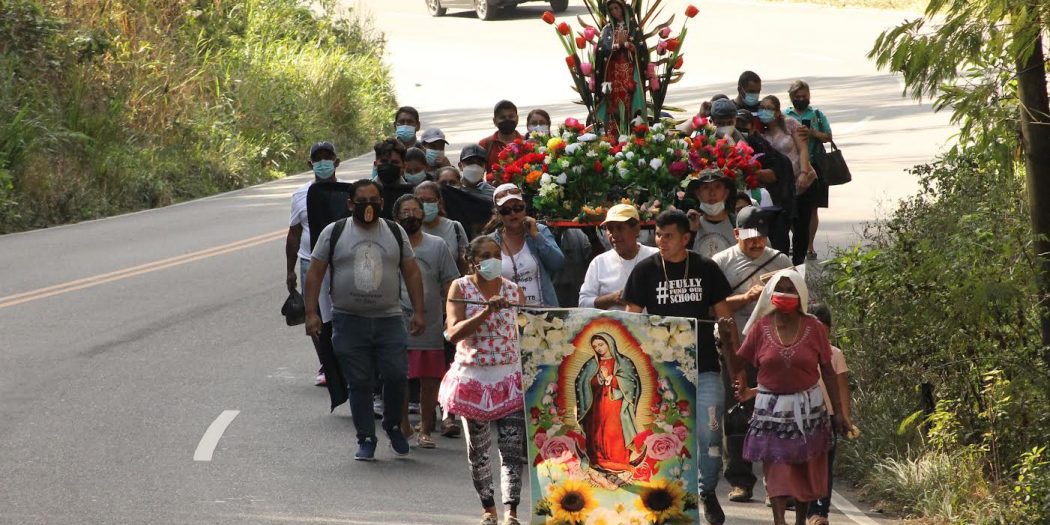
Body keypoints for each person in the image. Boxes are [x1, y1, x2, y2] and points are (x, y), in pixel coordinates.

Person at [623, 209, 741, 525]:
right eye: (658, 235)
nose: (661, 241)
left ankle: (707, 492)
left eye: (669, 236)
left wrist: (737, 365)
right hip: (662, 374)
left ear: (686, 238)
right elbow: (630, 321)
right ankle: (669, 501)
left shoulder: (706, 268)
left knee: (710, 437)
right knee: (663, 440)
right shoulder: (644, 271)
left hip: (706, 368)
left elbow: (726, 319)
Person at [304, 179, 427, 461]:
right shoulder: (334, 232)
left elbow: (411, 271)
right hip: (349, 320)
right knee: (359, 381)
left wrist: (419, 311)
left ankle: (393, 424)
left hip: (389, 319)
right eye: (361, 202)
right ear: (350, 204)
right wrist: (311, 313)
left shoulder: (394, 231)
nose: (368, 207)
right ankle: (366, 437)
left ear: (382, 203)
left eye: (374, 201)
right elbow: (315, 272)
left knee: (396, 374)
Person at [726, 269, 845, 525]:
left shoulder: (814, 328)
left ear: (801, 295)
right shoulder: (760, 328)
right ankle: (779, 520)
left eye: (791, 290)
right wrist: (727, 340)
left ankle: (800, 520)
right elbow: (737, 364)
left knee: (803, 469)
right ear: (770, 294)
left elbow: (828, 370)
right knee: (777, 468)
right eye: (780, 288)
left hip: (808, 408)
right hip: (771, 410)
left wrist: (839, 413)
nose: (785, 294)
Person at [440, 236, 527, 525]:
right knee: (478, 450)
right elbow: (453, 333)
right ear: (472, 261)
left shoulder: (514, 291)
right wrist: (486, 311)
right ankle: (489, 509)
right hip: (474, 381)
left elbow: (527, 333)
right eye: (486, 256)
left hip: (509, 379)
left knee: (512, 449)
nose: (493, 260)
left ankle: (511, 511)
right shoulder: (460, 288)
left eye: (497, 255)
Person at [711, 206, 793, 502]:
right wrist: (746, 298)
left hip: (774, 347)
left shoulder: (780, 260)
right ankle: (740, 480)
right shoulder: (720, 263)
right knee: (736, 415)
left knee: (777, 413)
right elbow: (713, 306)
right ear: (736, 234)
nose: (757, 243)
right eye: (750, 237)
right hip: (734, 346)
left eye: (761, 237)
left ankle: (778, 485)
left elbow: (796, 300)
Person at [392, 195, 459, 449]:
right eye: (405, 212)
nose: (411, 216)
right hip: (396, 319)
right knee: (399, 375)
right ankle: (403, 425)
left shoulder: (437, 245)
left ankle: (426, 428)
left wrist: (449, 315)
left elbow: (450, 282)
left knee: (430, 378)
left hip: (430, 320)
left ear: (423, 214)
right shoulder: (392, 244)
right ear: (396, 217)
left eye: (415, 210)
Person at [286, 141, 340, 386]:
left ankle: (343, 359)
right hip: (310, 261)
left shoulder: (348, 192)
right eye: (318, 159)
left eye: (328, 157)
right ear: (310, 164)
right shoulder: (300, 195)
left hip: (340, 261)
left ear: (337, 161)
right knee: (315, 314)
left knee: (341, 312)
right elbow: (294, 233)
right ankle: (326, 364)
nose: (323, 162)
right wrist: (290, 270)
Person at [805, 303, 854, 525]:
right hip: (804, 416)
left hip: (829, 417)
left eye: (822, 330)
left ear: (829, 331)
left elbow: (842, 387)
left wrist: (845, 417)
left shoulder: (835, 354)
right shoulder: (800, 354)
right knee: (806, 464)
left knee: (825, 466)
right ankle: (809, 510)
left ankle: (821, 512)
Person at [758, 95, 817, 265]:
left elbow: (803, 149)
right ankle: (783, 265)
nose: (765, 111)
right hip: (780, 188)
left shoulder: (790, 124)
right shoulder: (761, 132)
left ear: (777, 112)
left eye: (769, 108)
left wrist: (804, 173)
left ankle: (799, 263)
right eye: (762, 108)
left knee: (801, 228)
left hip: (802, 183)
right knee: (781, 229)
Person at [488, 183, 566, 307]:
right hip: (507, 314)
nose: (513, 213)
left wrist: (536, 236)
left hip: (543, 311)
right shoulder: (491, 241)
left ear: (525, 208)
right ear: (498, 213)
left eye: (517, 208)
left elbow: (557, 263)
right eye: (506, 211)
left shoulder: (539, 231)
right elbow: (485, 281)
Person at [575, 332, 641, 472]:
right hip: (596, 404)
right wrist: (598, 378)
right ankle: (598, 459)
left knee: (613, 431)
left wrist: (612, 379)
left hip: (615, 405)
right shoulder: (592, 364)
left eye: (601, 344)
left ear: (609, 343)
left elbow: (632, 383)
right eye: (595, 346)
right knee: (597, 431)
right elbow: (582, 382)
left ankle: (618, 461)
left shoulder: (623, 362)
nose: (598, 348)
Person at [784, 81, 833, 261]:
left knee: (812, 209)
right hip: (793, 168)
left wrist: (812, 133)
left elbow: (828, 136)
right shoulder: (785, 115)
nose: (801, 99)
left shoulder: (817, 115)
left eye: (804, 96)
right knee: (793, 209)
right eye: (797, 97)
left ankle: (809, 246)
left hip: (815, 167)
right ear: (791, 98)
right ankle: (799, 240)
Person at [736, 108, 794, 253]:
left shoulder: (759, 145)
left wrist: (751, 171)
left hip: (769, 199)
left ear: (752, 126)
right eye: (736, 123)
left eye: (743, 124)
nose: (739, 128)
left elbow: (773, 174)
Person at [578, 203, 658, 310]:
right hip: (610, 321)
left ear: (636, 229)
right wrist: (613, 298)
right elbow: (583, 303)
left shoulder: (655, 257)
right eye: (610, 229)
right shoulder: (599, 263)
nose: (614, 235)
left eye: (620, 228)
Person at [595, 0, 648, 136]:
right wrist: (614, 47)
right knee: (614, 100)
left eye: (616, 8)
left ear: (623, 9)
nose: (614, 12)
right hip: (613, 72)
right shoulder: (607, 29)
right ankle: (615, 132)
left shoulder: (633, 28)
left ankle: (632, 132)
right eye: (611, 10)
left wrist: (630, 46)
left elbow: (641, 50)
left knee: (629, 98)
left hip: (629, 71)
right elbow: (602, 51)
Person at [416, 181, 469, 272]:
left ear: (439, 202)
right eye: (421, 201)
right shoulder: (410, 229)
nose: (424, 205)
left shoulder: (455, 227)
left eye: (429, 200)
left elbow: (465, 262)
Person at [686, 169, 737, 259]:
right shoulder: (691, 225)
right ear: (698, 194)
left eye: (718, 187)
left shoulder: (737, 223)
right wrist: (691, 232)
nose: (712, 193)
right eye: (706, 188)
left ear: (726, 192)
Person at [479, 100, 522, 168]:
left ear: (517, 118)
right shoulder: (485, 144)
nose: (507, 120)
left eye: (511, 116)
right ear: (494, 121)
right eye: (502, 117)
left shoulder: (526, 142)